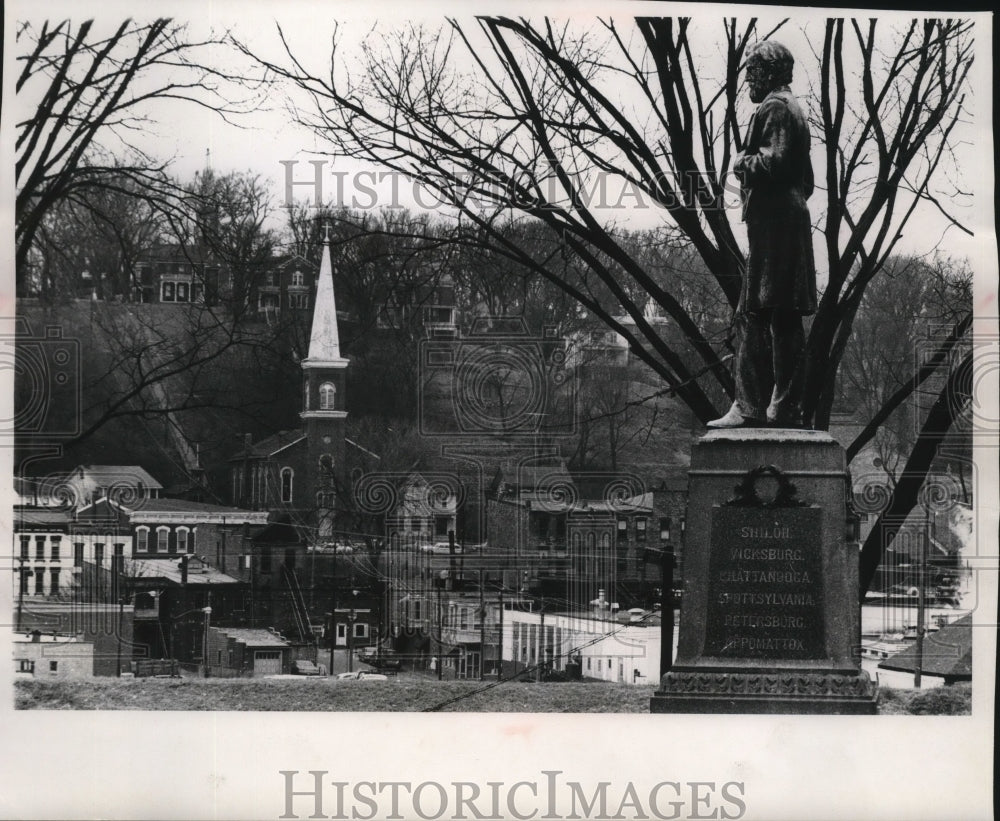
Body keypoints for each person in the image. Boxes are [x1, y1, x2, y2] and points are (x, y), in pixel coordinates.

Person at [708, 41, 817, 429]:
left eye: (752, 72)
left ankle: (750, 406)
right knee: (782, 317)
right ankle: (784, 406)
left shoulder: (776, 107)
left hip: (775, 227)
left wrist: (741, 161)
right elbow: (807, 182)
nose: (748, 80)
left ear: (770, 73)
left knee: (754, 314)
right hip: (786, 222)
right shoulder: (792, 109)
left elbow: (777, 163)